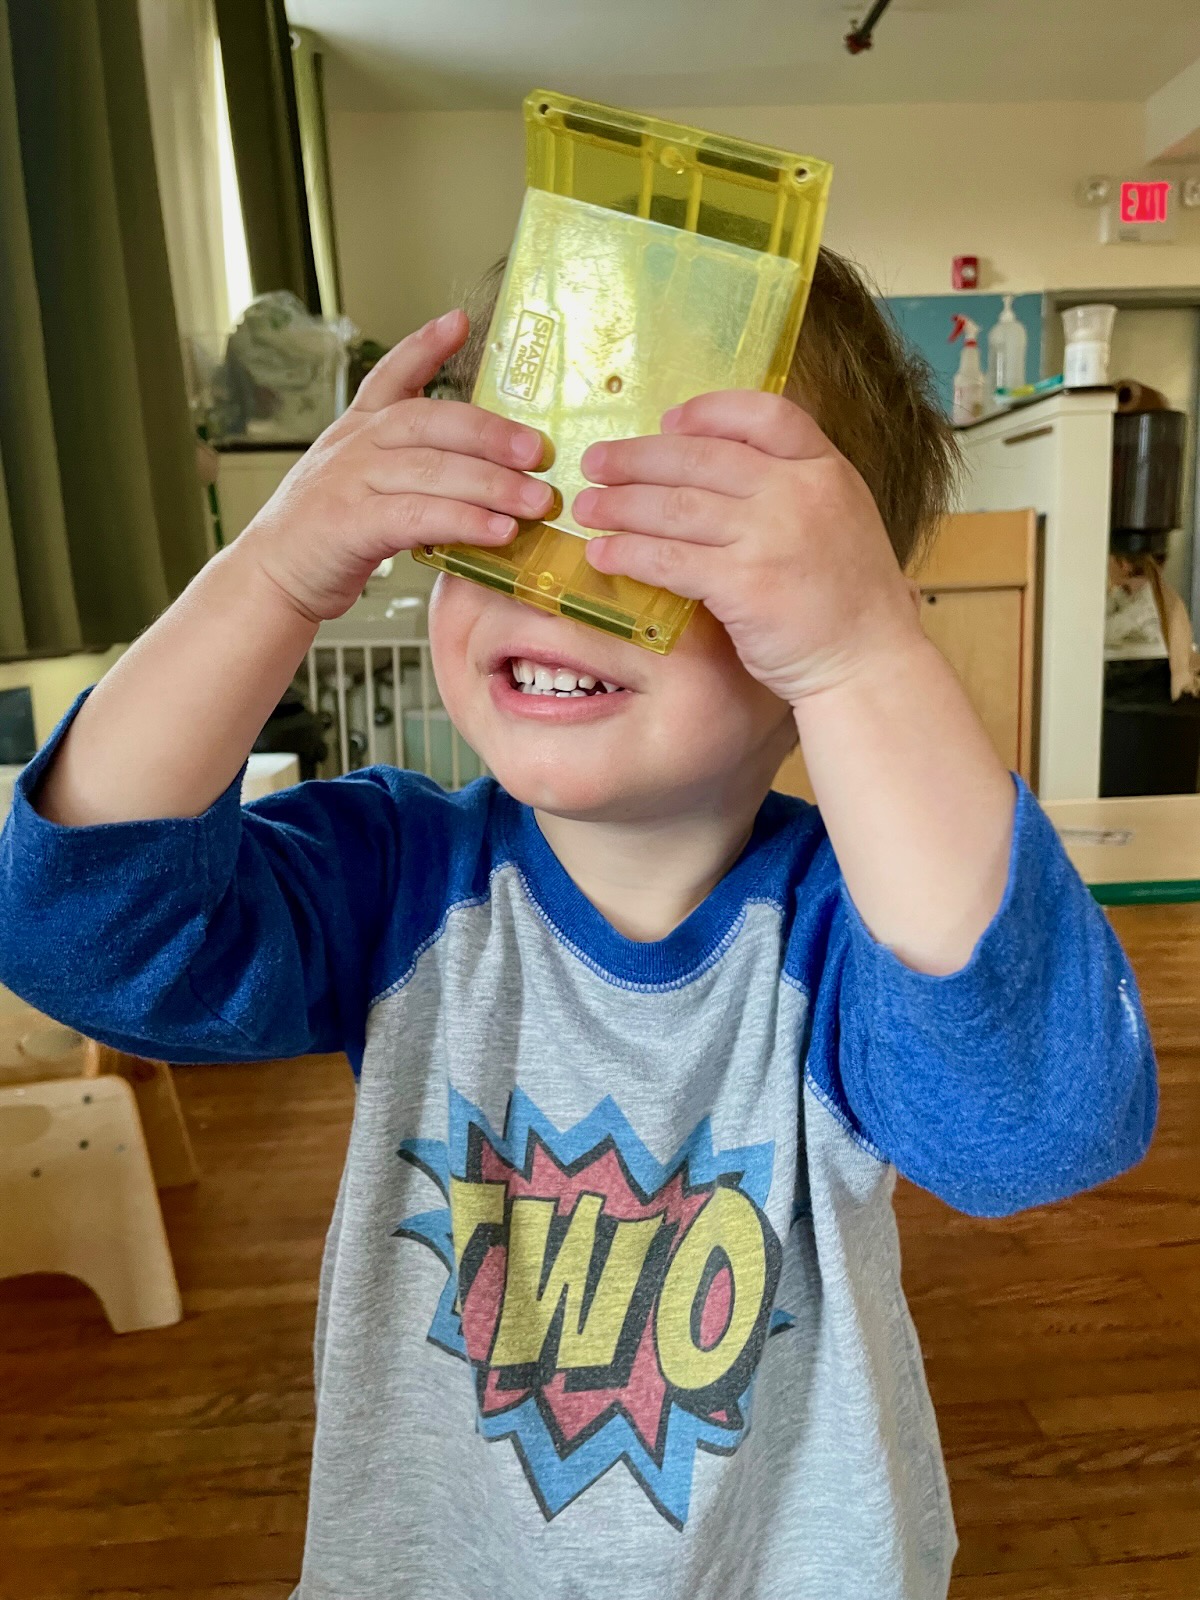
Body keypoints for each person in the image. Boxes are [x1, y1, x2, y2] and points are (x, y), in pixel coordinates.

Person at [0, 248, 1155, 1600]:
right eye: (509, 520)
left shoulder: (843, 936)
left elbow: (1037, 1122)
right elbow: (79, 926)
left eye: (665, 542)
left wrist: (866, 658)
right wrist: (274, 569)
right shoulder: (400, 877)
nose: (556, 583)